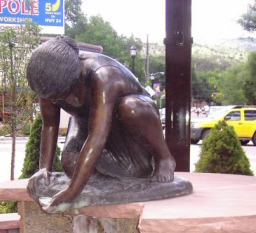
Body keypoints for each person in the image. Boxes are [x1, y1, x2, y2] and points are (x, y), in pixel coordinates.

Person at [27, 36, 175, 206]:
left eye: (59, 96)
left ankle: (164, 158)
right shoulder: (47, 82)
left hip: (127, 128)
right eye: (49, 97)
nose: (53, 101)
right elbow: (50, 125)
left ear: (73, 78)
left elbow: (97, 136)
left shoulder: (102, 75)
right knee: (70, 163)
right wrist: (44, 168)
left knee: (131, 108)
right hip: (88, 123)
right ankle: (106, 182)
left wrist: (72, 191)